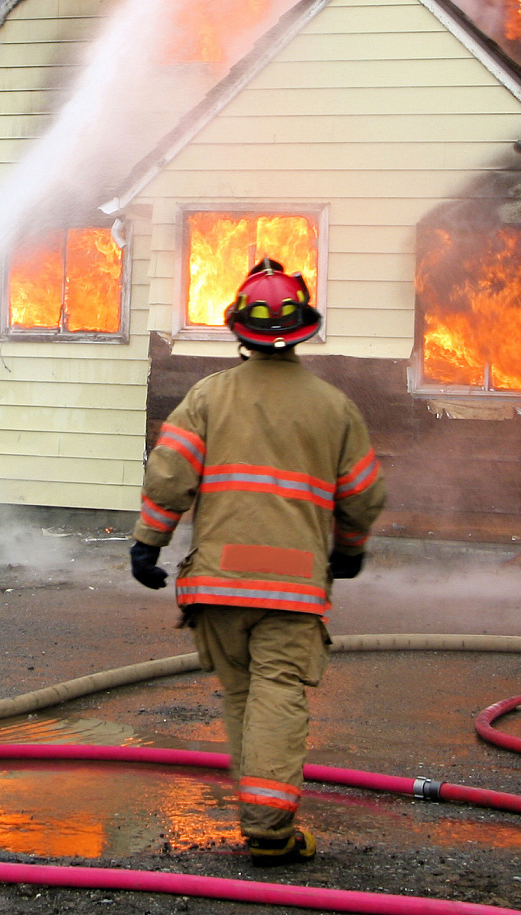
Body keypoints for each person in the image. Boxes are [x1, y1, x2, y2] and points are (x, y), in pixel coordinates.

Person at [126, 259, 386, 866]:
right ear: (302, 330)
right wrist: (349, 550)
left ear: (238, 329)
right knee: (278, 696)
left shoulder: (208, 396)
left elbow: (169, 474)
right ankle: (269, 830)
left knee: (245, 698)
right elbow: (363, 494)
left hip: (218, 585)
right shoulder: (334, 407)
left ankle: (261, 818)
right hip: (292, 592)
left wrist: (148, 543)